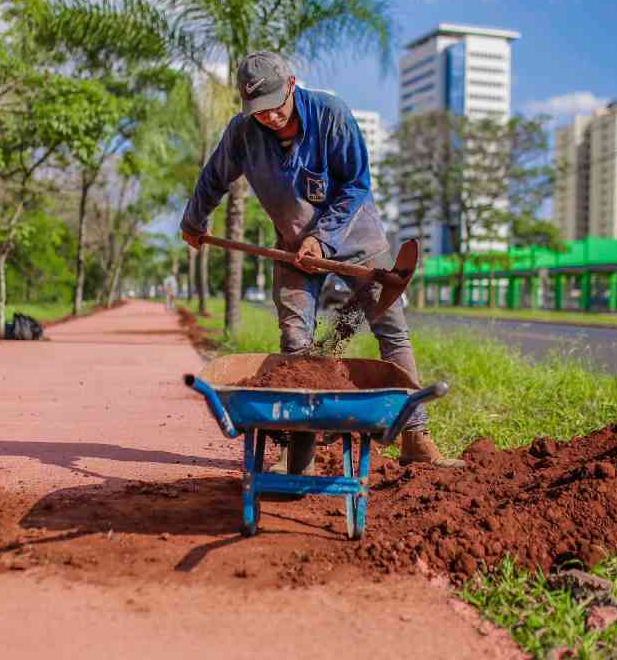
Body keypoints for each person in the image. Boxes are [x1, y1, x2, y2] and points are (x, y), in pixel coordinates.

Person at [180, 50, 464, 470]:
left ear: (291, 85)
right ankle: (301, 455)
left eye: (275, 107)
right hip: (292, 249)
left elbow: (356, 184)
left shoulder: (332, 115)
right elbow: (214, 176)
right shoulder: (243, 133)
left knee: (392, 332)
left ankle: (416, 438)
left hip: (357, 240)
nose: (270, 118)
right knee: (296, 346)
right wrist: (194, 219)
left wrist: (323, 240)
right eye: (258, 111)